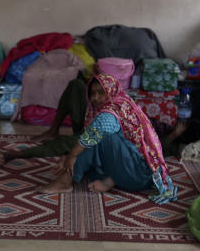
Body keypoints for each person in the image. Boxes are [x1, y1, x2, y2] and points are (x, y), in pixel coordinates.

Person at [36, 74, 177, 203]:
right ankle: (110, 179)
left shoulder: (112, 111)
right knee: (93, 139)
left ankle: (65, 181)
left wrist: (72, 156)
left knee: (97, 137)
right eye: (92, 93)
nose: (95, 98)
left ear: (111, 91)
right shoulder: (121, 104)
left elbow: (93, 135)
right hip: (134, 169)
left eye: (101, 92)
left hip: (139, 175)